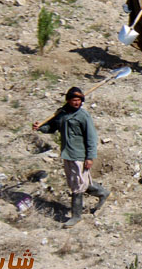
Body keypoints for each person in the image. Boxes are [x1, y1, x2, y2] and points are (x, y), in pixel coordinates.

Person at [33, 88, 107, 228]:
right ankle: (103, 193)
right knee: (79, 182)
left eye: (79, 100)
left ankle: (76, 216)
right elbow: (52, 127)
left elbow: (91, 138)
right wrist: (40, 128)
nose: (77, 103)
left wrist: (90, 157)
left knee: (77, 186)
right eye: (74, 100)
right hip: (67, 154)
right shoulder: (61, 113)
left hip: (79, 155)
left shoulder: (83, 116)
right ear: (68, 100)